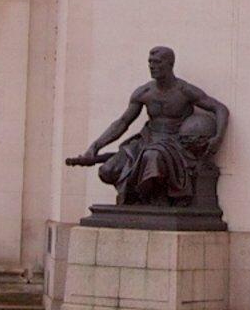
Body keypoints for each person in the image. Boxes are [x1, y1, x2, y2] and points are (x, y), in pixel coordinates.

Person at [67, 47, 230, 211]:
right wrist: (95, 146)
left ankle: (154, 202)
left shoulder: (184, 90)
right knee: (108, 170)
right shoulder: (144, 92)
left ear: (170, 64)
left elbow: (220, 109)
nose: (152, 66)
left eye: (157, 62)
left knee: (152, 156)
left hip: (173, 144)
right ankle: (139, 201)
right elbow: (123, 122)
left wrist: (218, 137)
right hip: (146, 140)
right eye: (150, 62)